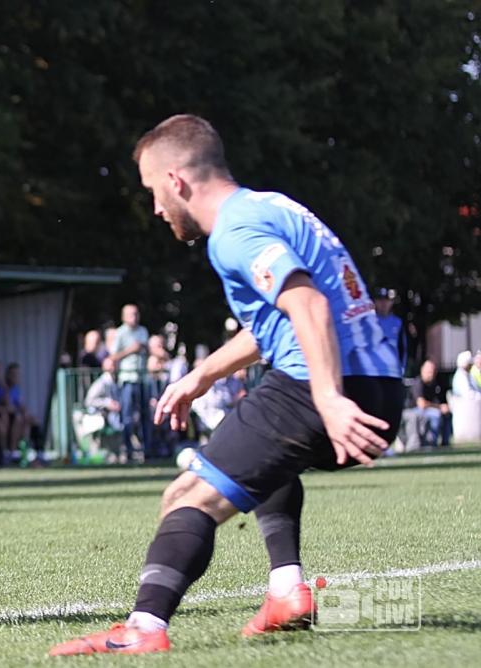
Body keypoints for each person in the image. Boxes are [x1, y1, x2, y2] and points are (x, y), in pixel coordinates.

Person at [50, 114, 402, 656]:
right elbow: (277, 322)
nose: (156, 208)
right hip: (379, 385)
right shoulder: (273, 207)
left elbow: (308, 304)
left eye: (153, 191)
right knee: (265, 463)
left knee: (186, 496)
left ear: (176, 181)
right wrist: (201, 375)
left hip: (321, 384)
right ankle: (286, 590)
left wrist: (329, 398)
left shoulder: (235, 231)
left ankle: (143, 629)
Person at [109, 304, 150, 463]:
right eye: (131, 314)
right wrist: (130, 350)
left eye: (136, 313)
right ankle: (128, 450)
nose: (135, 317)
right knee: (127, 417)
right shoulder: (120, 333)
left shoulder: (143, 331)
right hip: (127, 379)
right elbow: (113, 357)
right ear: (124, 317)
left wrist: (144, 348)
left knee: (146, 416)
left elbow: (147, 350)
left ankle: (147, 450)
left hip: (142, 378)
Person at [409, 359, 451, 447]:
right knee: (435, 414)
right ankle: (432, 443)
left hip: (431, 409)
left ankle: (445, 443)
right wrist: (439, 407)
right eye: (429, 372)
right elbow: (421, 404)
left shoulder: (437, 383)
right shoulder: (418, 382)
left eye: (433, 371)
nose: (431, 374)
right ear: (422, 371)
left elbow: (442, 400)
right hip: (414, 410)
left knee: (447, 414)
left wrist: (444, 407)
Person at [373, 288, 407, 373]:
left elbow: (402, 347)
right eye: (380, 300)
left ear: (391, 302)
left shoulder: (397, 323)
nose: (383, 303)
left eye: (386, 300)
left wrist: (402, 367)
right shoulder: (369, 322)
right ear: (375, 302)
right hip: (374, 370)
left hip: (392, 371)